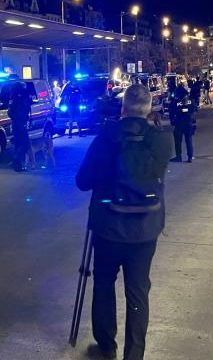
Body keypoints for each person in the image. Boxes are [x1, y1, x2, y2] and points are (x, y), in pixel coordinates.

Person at [76, 84, 172, 360]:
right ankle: (135, 353)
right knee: (138, 289)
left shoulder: (107, 136)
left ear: (123, 107)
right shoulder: (162, 140)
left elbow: (83, 182)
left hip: (109, 227)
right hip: (146, 229)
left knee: (104, 282)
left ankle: (106, 342)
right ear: (149, 107)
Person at [170, 80, 196, 163]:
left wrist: (172, 120)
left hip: (179, 123)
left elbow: (172, 111)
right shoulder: (191, 100)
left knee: (178, 141)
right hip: (188, 122)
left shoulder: (176, 101)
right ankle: (190, 157)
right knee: (188, 140)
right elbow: (193, 109)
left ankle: (178, 157)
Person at [8, 82, 31, 172]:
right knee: (25, 143)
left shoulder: (13, 97)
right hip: (21, 123)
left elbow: (9, 112)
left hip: (15, 123)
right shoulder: (22, 96)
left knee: (17, 144)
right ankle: (16, 158)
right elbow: (26, 108)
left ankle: (17, 166)